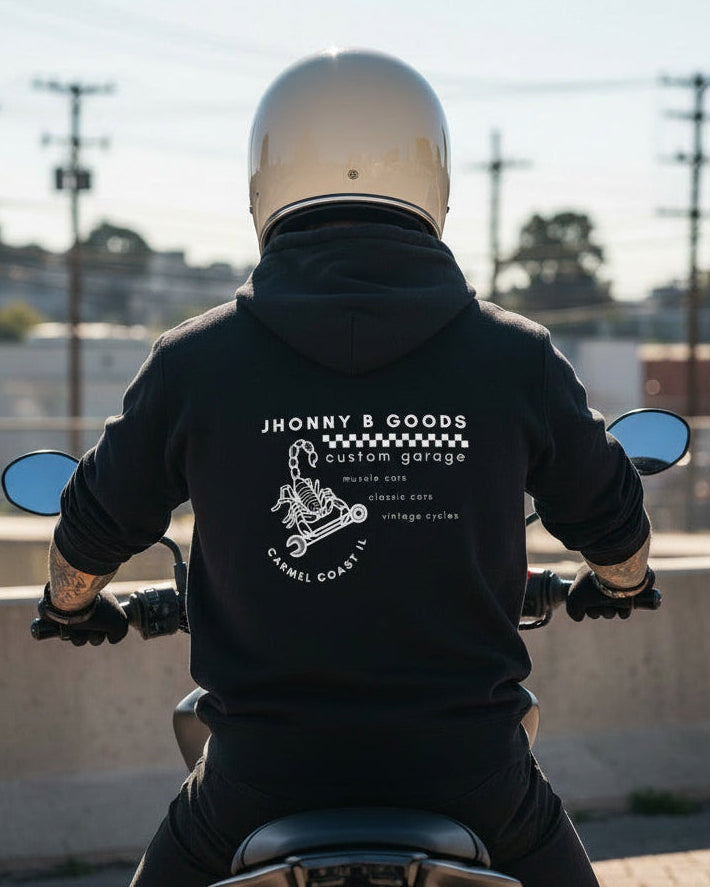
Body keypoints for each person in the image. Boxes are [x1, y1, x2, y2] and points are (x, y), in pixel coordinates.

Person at [39, 50, 653, 887]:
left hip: (257, 775)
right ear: (434, 179)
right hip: (475, 773)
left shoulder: (194, 361)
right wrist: (622, 583)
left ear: (264, 179)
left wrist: (70, 604)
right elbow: (615, 523)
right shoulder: (516, 356)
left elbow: (89, 529)